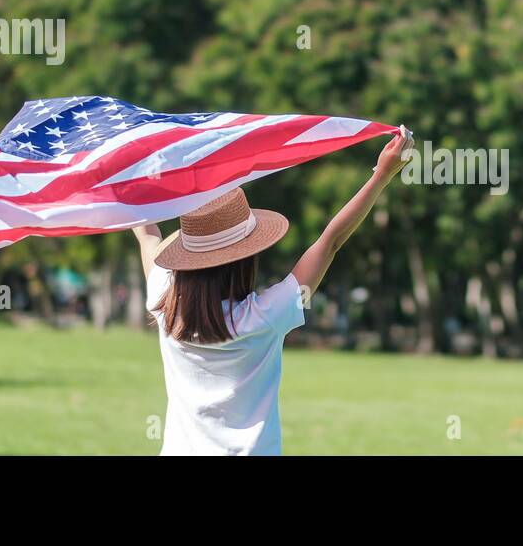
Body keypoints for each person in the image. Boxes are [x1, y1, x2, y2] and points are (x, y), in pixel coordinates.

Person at [130, 129, 413, 455]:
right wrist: (382, 175)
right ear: (243, 259)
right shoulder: (265, 316)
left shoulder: (164, 303)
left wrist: (128, 180)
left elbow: (147, 236)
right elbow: (331, 241)